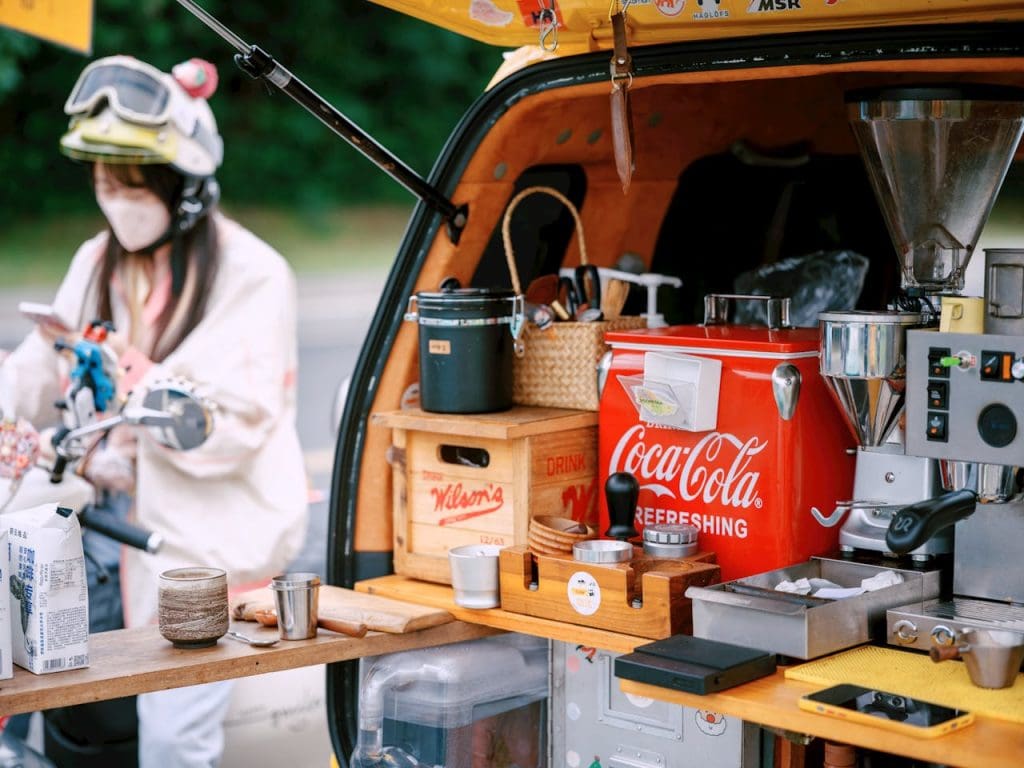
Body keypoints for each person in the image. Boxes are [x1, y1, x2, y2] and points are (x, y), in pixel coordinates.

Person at [0, 55, 308, 767]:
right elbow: (43, 358)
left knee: (175, 738)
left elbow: (229, 427)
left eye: (131, 186)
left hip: (207, 542)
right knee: (77, 708)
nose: (115, 202)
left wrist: (130, 385)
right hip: (112, 532)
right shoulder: (98, 258)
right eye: (105, 183)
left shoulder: (252, 273)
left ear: (182, 185)